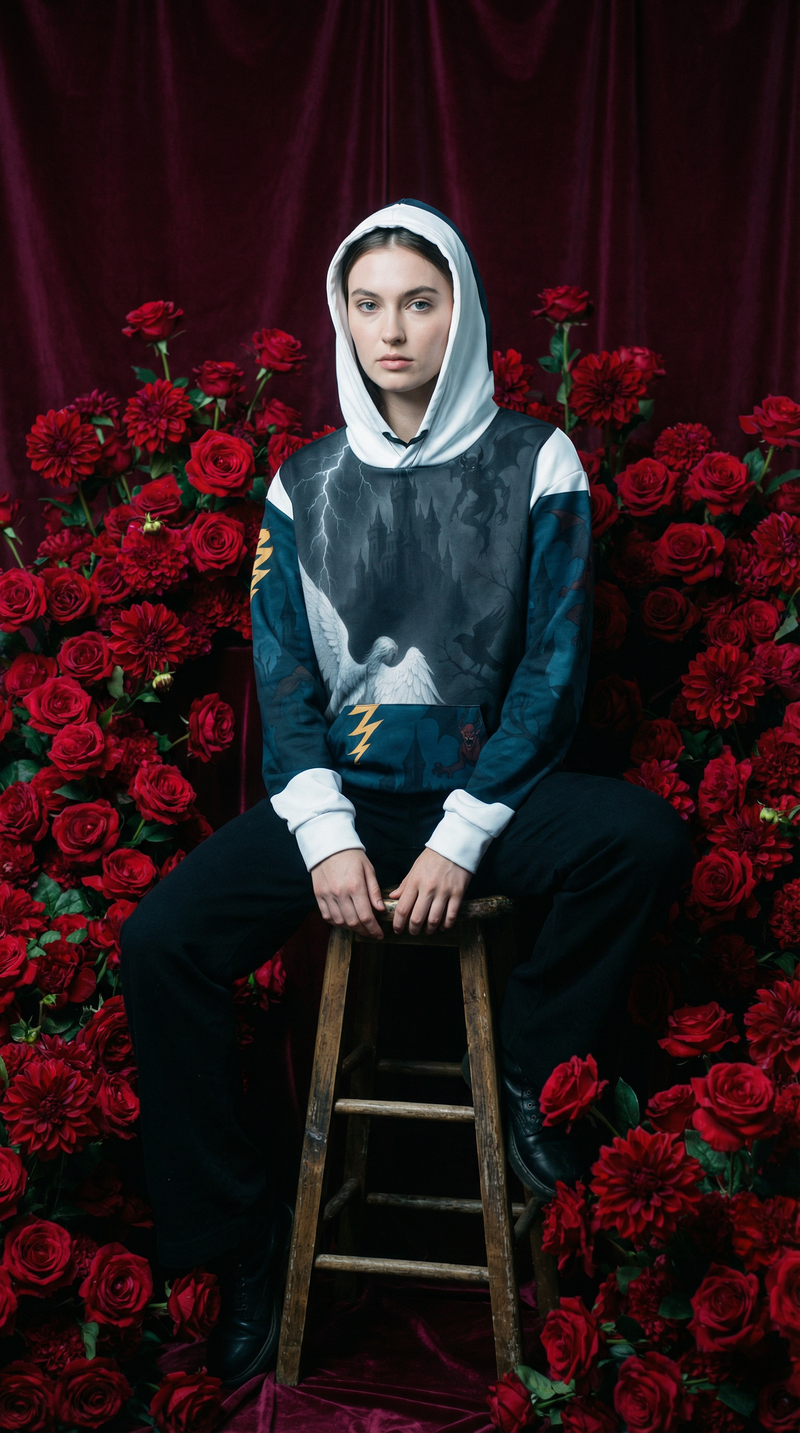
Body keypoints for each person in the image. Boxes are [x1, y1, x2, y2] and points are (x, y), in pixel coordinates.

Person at [121, 200, 692, 1387]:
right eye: (368, 303)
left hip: (491, 791)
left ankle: (535, 1077)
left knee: (636, 835)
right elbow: (280, 670)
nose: (393, 330)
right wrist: (325, 834)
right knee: (160, 939)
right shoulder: (302, 480)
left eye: (419, 303)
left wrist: (464, 834)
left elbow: (551, 668)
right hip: (350, 797)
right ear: (342, 316)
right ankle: (241, 1242)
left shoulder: (535, 458)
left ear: (460, 314)